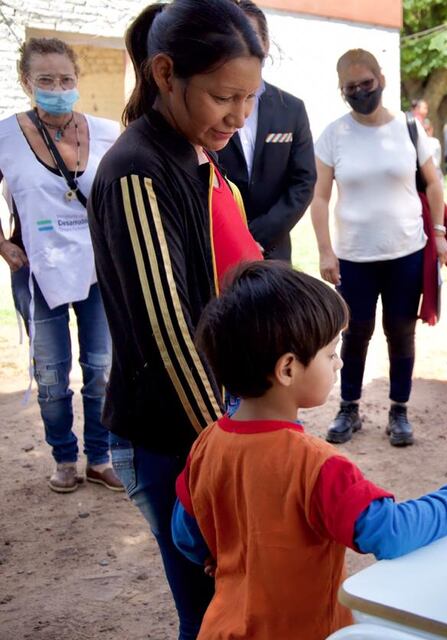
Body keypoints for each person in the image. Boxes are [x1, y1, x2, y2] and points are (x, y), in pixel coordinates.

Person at [171, 261, 447, 639]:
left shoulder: (206, 444)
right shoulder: (316, 465)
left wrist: (221, 557)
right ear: (287, 369)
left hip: (221, 628)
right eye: (330, 352)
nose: (338, 362)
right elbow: (390, 531)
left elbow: (185, 534)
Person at [87, 1, 264, 637]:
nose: (239, 117)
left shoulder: (193, 151)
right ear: (165, 73)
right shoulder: (138, 171)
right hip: (177, 438)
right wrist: (227, 452)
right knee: (214, 615)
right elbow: (168, 335)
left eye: (249, 98)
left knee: (239, 603)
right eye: (224, 97)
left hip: (213, 421)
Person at [0, 38, 120, 493]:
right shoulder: (5, 136)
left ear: (77, 80)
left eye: (65, 79)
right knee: (51, 375)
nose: (57, 88)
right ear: (26, 82)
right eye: (45, 80)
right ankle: (64, 457)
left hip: (98, 271)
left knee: (101, 369)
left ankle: (100, 457)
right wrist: (3, 246)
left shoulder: (106, 133)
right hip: (36, 271)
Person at [311, 49, 447, 447]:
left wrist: (439, 232)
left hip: (406, 251)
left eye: (366, 84)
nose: (360, 92)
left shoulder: (409, 127)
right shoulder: (333, 135)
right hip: (354, 256)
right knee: (354, 333)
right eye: (350, 88)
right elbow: (319, 197)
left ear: (381, 80)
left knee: (401, 332)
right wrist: (325, 250)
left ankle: (399, 410)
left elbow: (434, 183)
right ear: (341, 91)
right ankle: (349, 408)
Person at [215, 0, 315, 262]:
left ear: (266, 44)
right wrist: (235, 236)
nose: (241, 45)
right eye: (232, 36)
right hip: (217, 248)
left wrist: (259, 234)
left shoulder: (291, 108)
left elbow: (304, 181)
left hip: (274, 250)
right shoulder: (208, 106)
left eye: (249, 36)